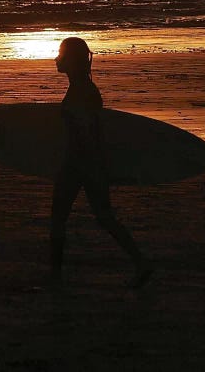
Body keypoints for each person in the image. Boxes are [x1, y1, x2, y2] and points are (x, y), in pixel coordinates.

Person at [50, 37, 153, 287]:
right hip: (86, 164)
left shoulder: (83, 91)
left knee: (70, 218)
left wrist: (85, 167)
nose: (56, 58)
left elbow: (87, 133)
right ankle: (140, 263)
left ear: (71, 60)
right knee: (96, 217)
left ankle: (55, 277)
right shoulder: (81, 87)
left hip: (81, 164)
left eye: (60, 53)